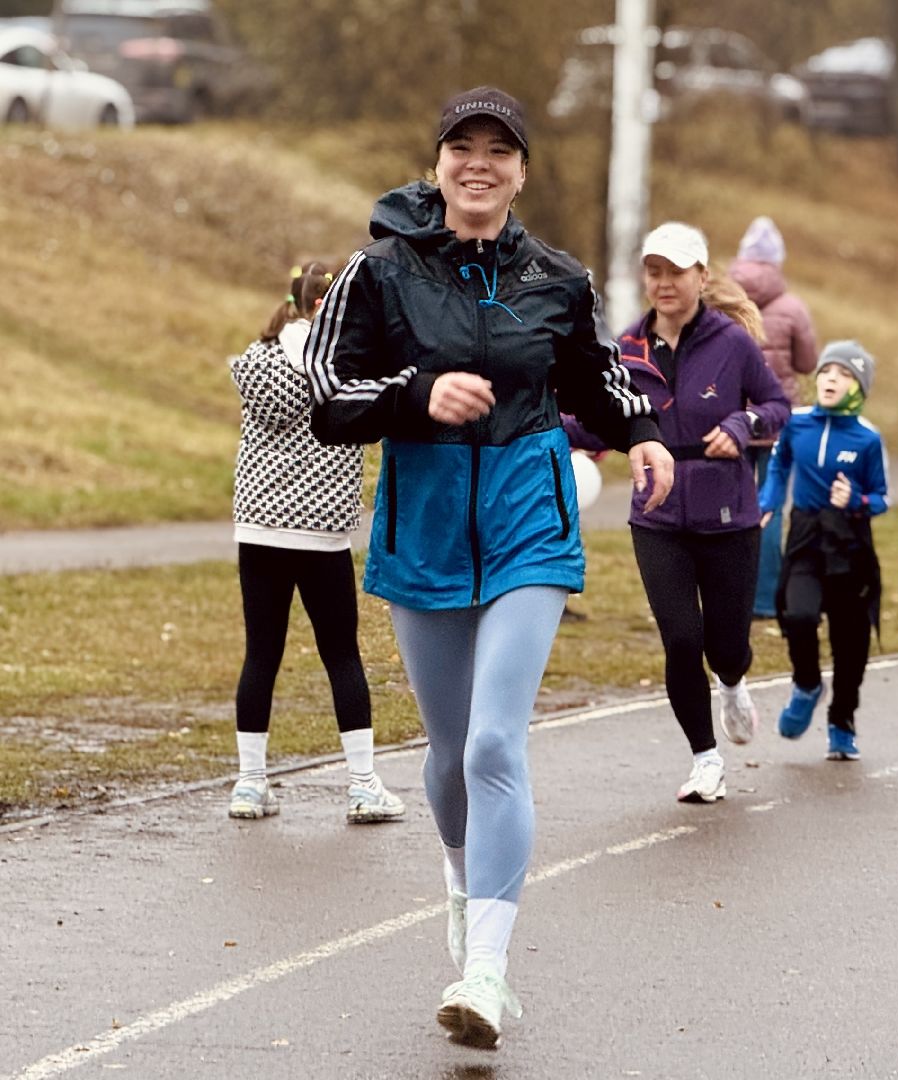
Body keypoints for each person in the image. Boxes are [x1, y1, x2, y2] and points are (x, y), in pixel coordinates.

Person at [305, 86, 673, 1050]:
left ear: (521, 172)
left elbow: (596, 374)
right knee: (447, 753)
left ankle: (487, 971)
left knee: (494, 746)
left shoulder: (558, 276)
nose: (479, 163)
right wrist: (418, 394)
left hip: (527, 521)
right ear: (436, 166)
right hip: (424, 525)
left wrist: (642, 432)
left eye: (498, 150)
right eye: (461, 147)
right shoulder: (378, 272)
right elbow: (328, 397)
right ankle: (466, 895)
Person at [592, 220, 790, 803]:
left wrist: (743, 423)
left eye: (676, 272)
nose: (664, 282)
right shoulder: (627, 348)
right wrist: (556, 431)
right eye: (654, 271)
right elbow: (604, 417)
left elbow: (776, 403)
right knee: (681, 639)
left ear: (702, 277)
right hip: (656, 517)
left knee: (726, 646)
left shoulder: (732, 343)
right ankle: (705, 759)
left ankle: (732, 680)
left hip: (727, 515)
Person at [227, 261, 406, 825]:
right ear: (332, 307)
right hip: (322, 533)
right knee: (341, 655)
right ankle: (362, 784)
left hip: (259, 528)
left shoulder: (257, 361)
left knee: (261, 654)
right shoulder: (345, 369)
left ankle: (250, 783)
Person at [759, 340, 888, 760]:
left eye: (845, 374)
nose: (832, 379)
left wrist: (856, 500)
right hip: (806, 535)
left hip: (849, 541)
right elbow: (779, 463)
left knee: (850, 643)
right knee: (796, 614)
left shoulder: (868, 438)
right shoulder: (796, 423)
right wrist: (769, 500)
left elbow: (881, 498)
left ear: (859, 387)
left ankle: (841, 723)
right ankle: (807, 684)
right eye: (827, 371)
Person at [730, 216, 819, 618]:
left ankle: (732, 596)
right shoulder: (792, 307)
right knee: (770, 506)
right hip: (777, 420)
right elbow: (807, 362)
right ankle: (766, 600)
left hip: (731, 420)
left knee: (730, 509)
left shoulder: (724, 303)